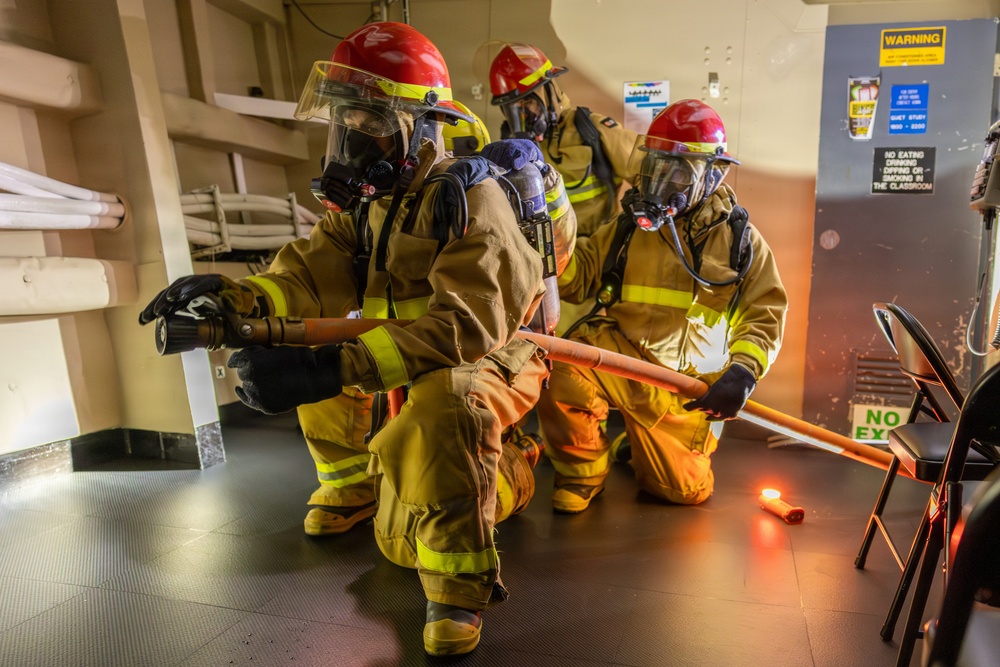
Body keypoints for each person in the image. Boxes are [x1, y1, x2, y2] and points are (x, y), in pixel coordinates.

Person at [138, 22, 572, 656]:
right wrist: (232, 299)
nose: (348, 141)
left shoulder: (473, 198)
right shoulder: (373, 206)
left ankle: (462, 579)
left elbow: (466, 329)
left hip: (489, 359)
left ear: (422, 127)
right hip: (406, 349)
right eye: (342, 124)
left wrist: (333, 367)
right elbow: (305, 274)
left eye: (367, 123)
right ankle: (353, 483)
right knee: (331, 379)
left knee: (441, 409)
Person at [536, 99, 788, 513]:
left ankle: (640, 442)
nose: (660, 183)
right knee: (565, 362)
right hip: (623, 361)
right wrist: (549, 226)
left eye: (677, 171)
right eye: (655, 167)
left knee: (682, 493)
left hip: (682, 389)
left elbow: (766, 311)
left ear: (713, 173)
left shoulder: (740, 241)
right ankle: (582, 473)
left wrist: (743, 372)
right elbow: (577, 278)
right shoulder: (626, 230)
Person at [489, 42, 637, 237]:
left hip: (593, 251)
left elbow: (648, 170)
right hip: (544, 250)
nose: (524, 115)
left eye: (529, 102)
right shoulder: (515, 150)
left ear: (549, 92)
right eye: (513, 109)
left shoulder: (593, 130)